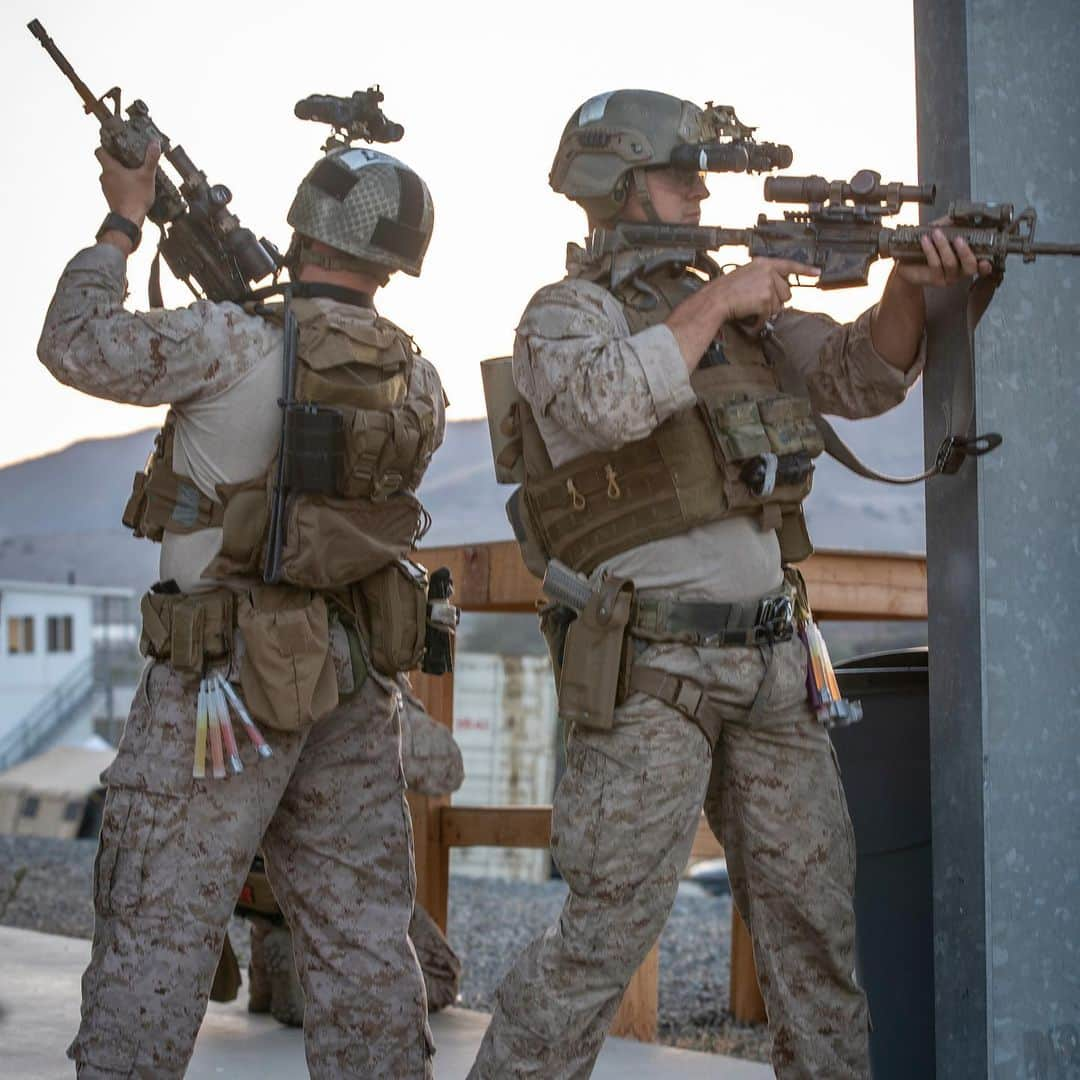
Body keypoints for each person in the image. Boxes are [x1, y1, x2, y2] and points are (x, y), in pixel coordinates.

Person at [471, 89, 992, 1080]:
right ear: (615, 184)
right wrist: (719, 300)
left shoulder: (749, 324)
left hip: (775, 668)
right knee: (600, 941)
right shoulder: (567, 313)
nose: (698, 189)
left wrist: (910, 291)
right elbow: (603, 400)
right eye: (678, 175)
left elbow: (856, 380)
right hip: (649, 667)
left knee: (817, 940)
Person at [38, 137, 444, 1078]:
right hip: (351, 684)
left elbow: (72, 341)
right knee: (364, 946)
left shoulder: (226, 340)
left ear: (306, 224)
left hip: (222, 687)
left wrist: (123, 218)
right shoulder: (416, 380)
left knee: (158, 939)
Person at [215, 678, 465, 1024]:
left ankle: (268, 971)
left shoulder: (233, 673)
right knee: (441, 972)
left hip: (249, 879)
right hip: (332, 877)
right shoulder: (352, 673)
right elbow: (446, 770)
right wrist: (400, 696)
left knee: (278, 857)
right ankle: (303, 968)